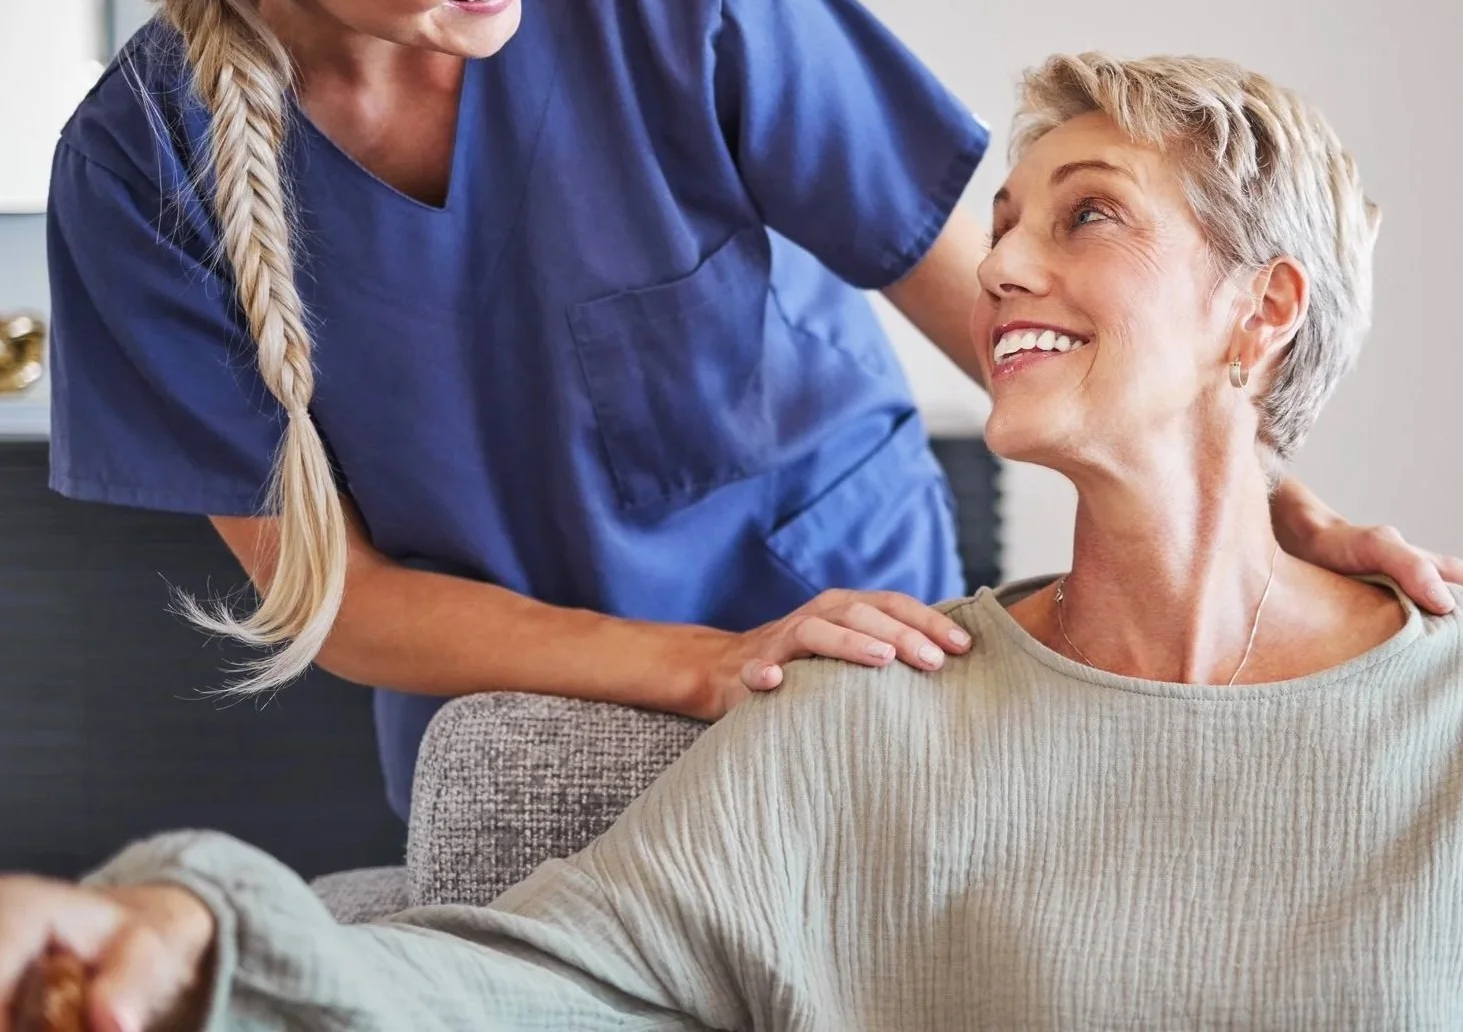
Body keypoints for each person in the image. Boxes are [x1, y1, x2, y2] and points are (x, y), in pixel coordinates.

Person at [45, 0, 1449, 823]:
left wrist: (1264, 509)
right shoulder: (134, 181)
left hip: (874, 631)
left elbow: (998, 301)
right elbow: (337, 597)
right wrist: (700, 669)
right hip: (532, 714)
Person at [10, 53, 1460, 1031]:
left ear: (1258, 312)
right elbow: (524, 975)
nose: (1004, 260)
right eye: (1006, 218)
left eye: (1088, 217)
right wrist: (198, 933)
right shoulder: (869, 713)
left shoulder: (1435, 719)